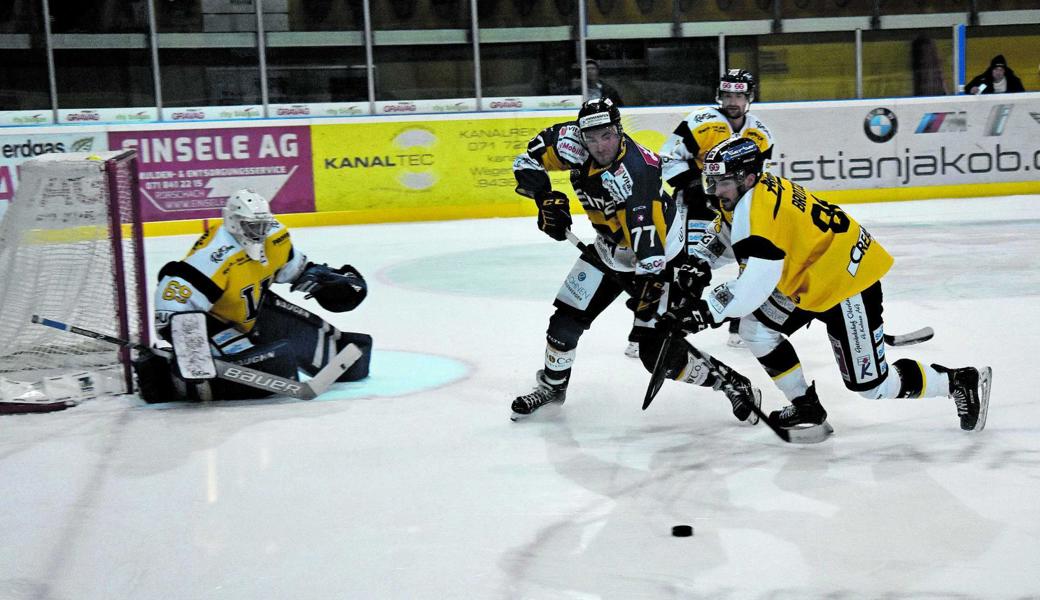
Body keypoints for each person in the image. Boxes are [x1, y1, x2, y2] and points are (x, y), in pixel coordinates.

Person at [662, 137, 991, 437]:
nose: (714, 190)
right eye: (713, 181)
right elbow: (726, 234)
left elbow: (752, 288)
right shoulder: (749, 194)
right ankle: (806, 404)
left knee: (871, 385)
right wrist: (698, 263)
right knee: (756, 328)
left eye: (722, 182)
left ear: (747, 179)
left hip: (845, 284)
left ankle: (958, 381)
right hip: (813, 275)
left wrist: (704, 313)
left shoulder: (757, 210)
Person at [508, 98, 760, 425]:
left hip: (661, 257)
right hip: (608, 246)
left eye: (607, 135)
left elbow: (648, 249)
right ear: (581, 135)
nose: (600, 145)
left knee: (655, 352)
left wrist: (649, 290)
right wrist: (545, 199)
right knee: (564, 322)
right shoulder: (569, 142)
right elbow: (525, 159)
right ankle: (553, 386)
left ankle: (732, 384)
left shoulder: (638, 175)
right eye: (592, 137)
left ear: (620, 131)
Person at [132, 189, 372, 403]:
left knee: (353, 356)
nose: (259, 232)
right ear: (234, 223)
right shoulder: (216, 255)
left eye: (263, 225)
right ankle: (167, 379)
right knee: (276, 366)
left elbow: (294, 270)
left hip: (253, 313)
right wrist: (191, 352)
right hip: (213, 324)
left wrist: (320, 279)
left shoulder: (275, 239)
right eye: (251, 226)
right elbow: (170, 304)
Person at [622, 68, 774, 357]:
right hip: (695, 207)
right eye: (727, 94)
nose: (732, 101)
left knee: (750, 261)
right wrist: (693, 184)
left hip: (736, 210)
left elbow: (761, 177)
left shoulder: (761, 133)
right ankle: (646, 328)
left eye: (739, 95)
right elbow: (666, 158)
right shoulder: (701, 122)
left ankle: (739, 322)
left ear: (748, 97)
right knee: (682, 266)